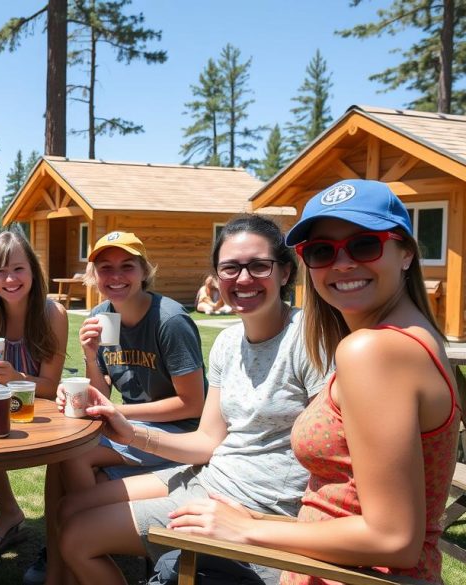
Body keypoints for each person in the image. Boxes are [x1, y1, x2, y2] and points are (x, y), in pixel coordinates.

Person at [163, 180, 460, 584]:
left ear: (405, 252)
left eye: (364, 245)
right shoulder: (410, 336)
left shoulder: (374, 351)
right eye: (322, 251)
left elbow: (394, 539)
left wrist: (248, 529)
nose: (342, 264)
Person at [57, 215, 326, 585]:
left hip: (255, 506)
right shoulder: (228, 344)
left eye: (259, 266)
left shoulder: (310, 340)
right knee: (71, 508)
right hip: (210, 475)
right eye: (230, 268)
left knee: (77, 535)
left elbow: (334, 458)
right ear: (216, 278)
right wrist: (129, 431)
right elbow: (207, 442)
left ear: (284, 272)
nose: (243, 279)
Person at [29, 231, 206, 585]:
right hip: (134, 428)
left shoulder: (168, 320)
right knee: (64, 456)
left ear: (144, 271)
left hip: (180, 435)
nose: (115, 276)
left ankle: (79, 551)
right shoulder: (102, 315)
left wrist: (121, 415)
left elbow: (193, 402)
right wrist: (91, 356)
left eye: (127, 266)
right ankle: (74, 555)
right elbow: (101, 392)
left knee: (76, 456)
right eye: (105, 268)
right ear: (94, 275)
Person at [0, 231, 68, 555]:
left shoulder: (52, 314)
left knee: (65, 455)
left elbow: (49, 387)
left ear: (33, 270)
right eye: (0, 271)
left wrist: (17, 377)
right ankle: (9, 511)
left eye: (18, 269)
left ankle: (59, 542)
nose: (10, 279)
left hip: (41, 413)